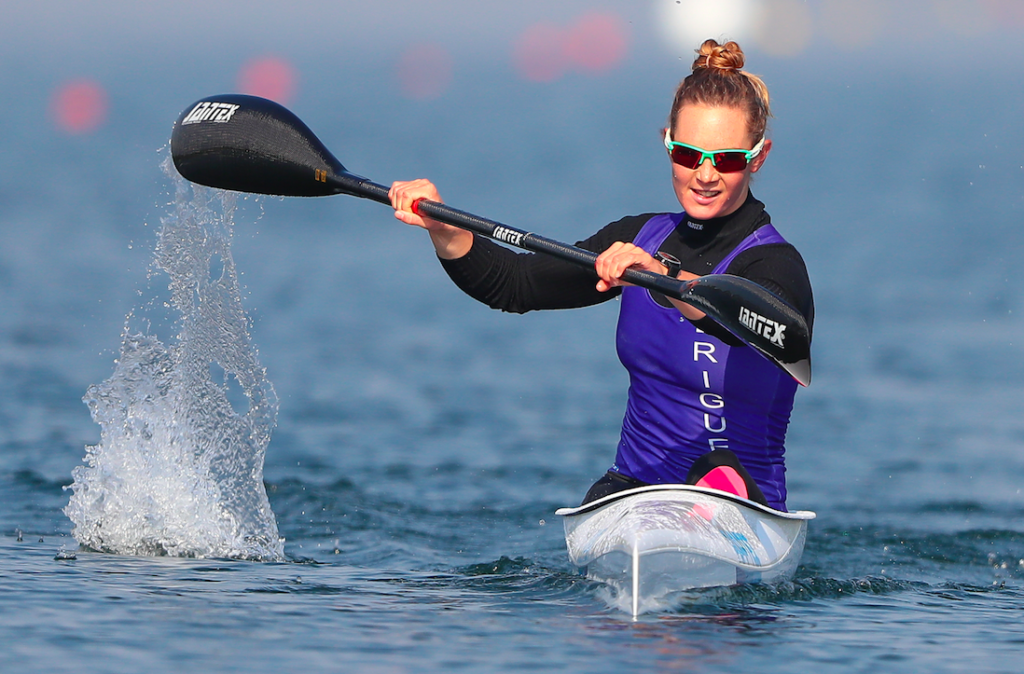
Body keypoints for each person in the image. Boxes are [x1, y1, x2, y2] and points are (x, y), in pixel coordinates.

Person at [388, 39, 813, 512]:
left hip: (744, 509)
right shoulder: (637, 237)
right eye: (688, 155)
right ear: (667, 142)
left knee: (720, 476)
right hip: (632, 491)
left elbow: (771, 330)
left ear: (759, 156)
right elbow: (514, 285)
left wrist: (662, 278)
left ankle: (712, 491)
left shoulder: (774, 264)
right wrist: (443, 227)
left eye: (727, 159)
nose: (705, 174)